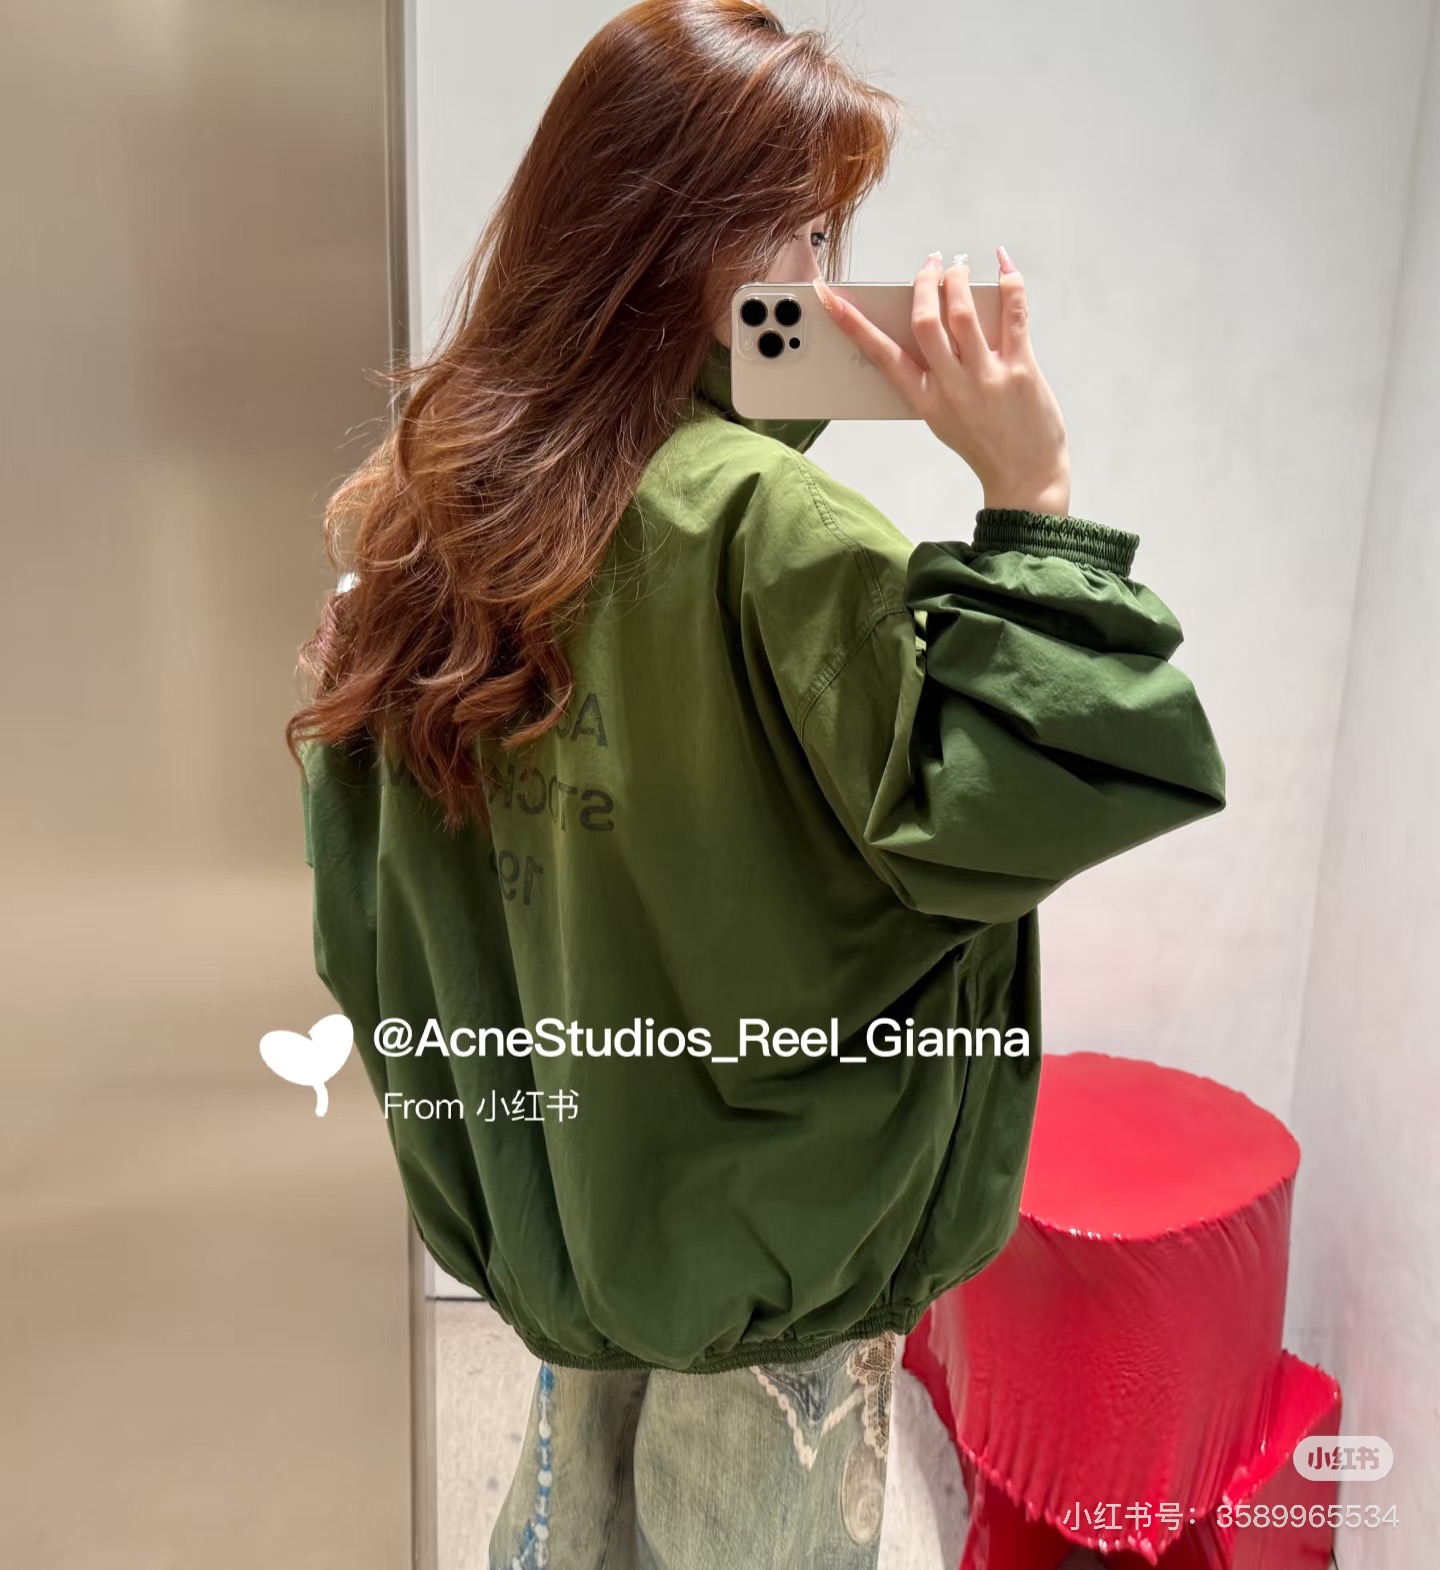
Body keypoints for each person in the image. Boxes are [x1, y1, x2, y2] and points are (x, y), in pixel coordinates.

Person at [285, 1, 1226, 1565]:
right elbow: (1047, 782)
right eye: (798, 230)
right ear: (686, 245)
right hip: (779, 1214)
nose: (821, 276)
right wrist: (1032, 494)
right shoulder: (779, 537)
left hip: (576, 1180)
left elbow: (377, 864)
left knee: (577, 1517)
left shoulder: (436, 501)